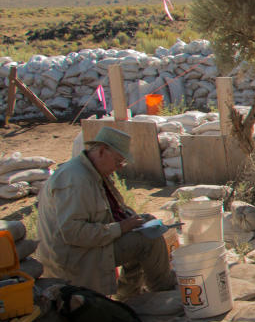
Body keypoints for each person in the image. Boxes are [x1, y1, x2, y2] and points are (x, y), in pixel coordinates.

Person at [35, 127, 174, 298]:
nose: (118, 167)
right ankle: (163, 291)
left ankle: (130, 295)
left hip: (89, 245)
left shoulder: (92, 172)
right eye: (118, 161)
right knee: (148, 240)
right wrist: (121, 227)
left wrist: (134, 221)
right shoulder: (76, 179)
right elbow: (73, 233)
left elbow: (113, 211)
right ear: (102, 151)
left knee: (147, 226)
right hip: (74, 257)